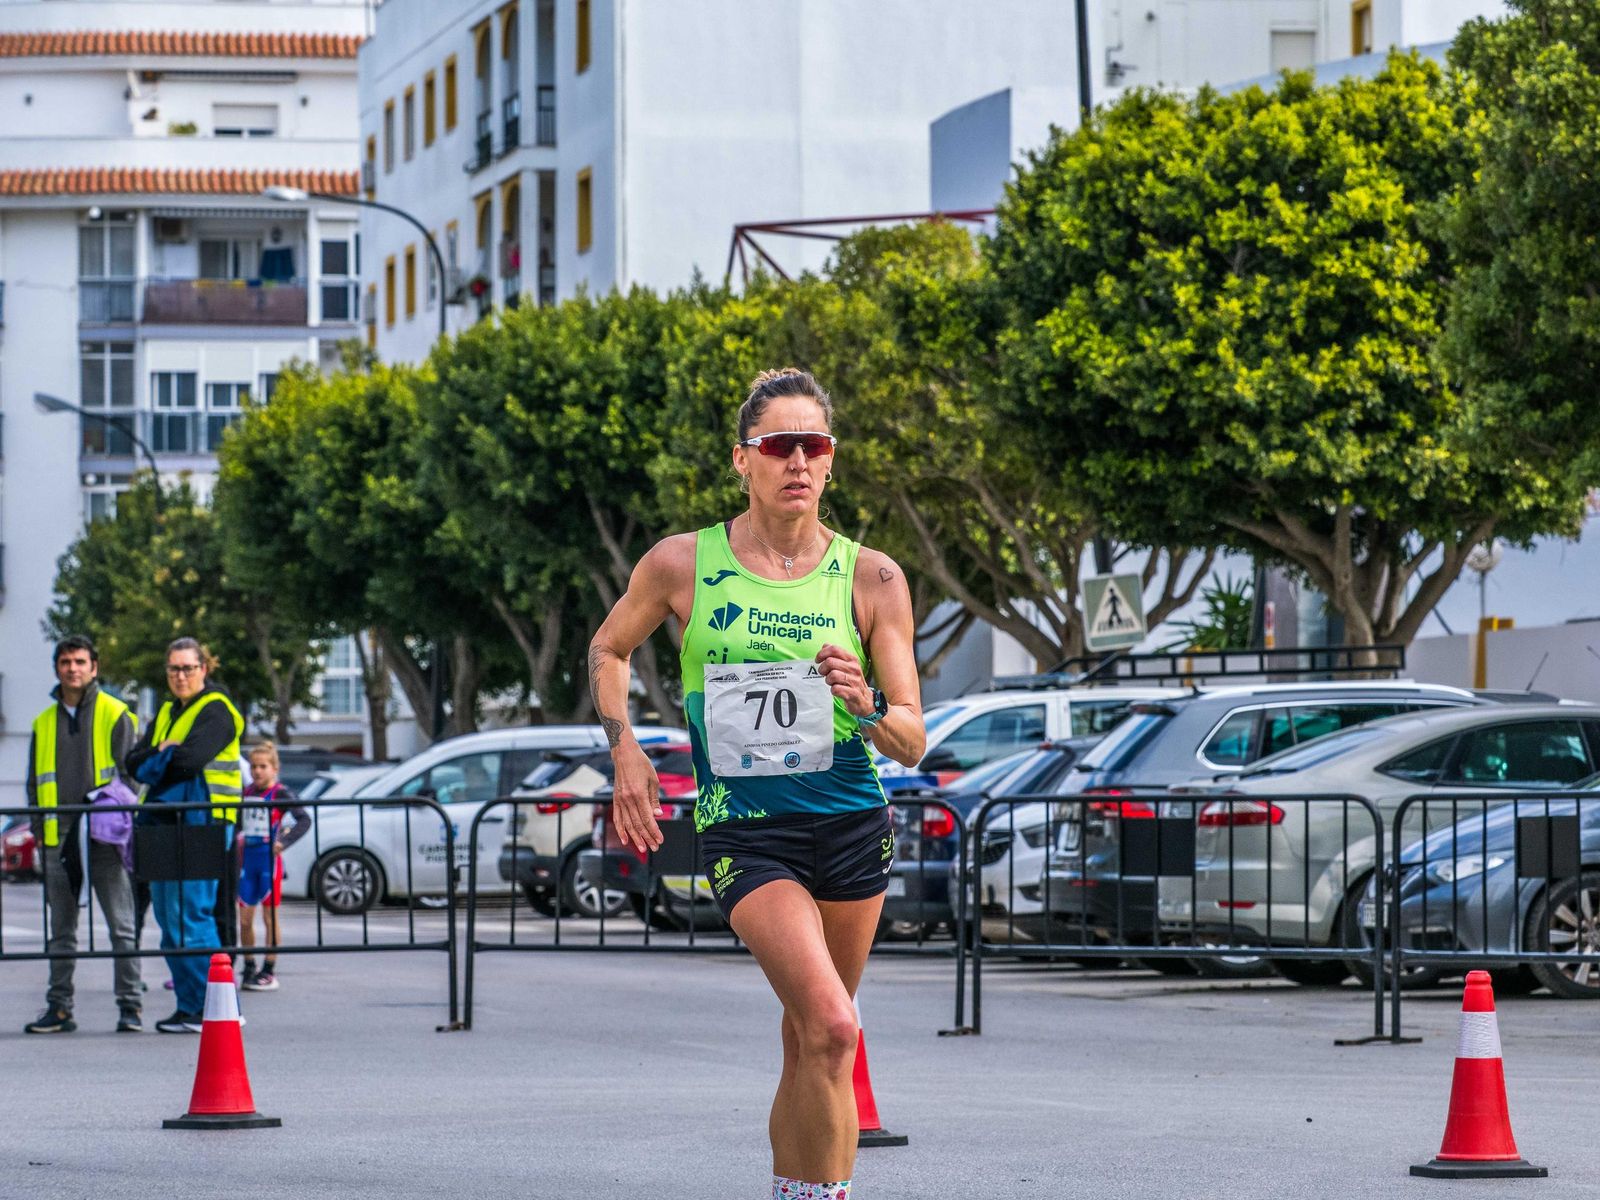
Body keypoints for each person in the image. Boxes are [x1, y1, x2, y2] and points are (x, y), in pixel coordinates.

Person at [589, 368, 925, 1200]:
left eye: (815, 445)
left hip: (852, 825)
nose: (798, 461)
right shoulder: (681, 563)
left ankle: (799, 1191)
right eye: (780, 445)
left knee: (813, 1040)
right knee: (836, 1027)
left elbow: (912, 739)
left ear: (832, 461)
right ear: (744, 460)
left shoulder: (872, 579)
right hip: (748, 832)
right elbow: (607, 649)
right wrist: (625, 746)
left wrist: (867, 703)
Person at [24, 636, 141, 1034]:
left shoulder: (115, 712)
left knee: (122, 927)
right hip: (59, 841)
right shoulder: (43, 723)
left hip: (104, 840)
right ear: (57, 667)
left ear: (94, 667)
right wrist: (41, 834)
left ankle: (131, 1007)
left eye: (79, 661)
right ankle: (59, 1009)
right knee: (61, 932)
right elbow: (33, 786)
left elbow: (131, 777)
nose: (72, 668)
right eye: (64, 661)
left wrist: (115, 821)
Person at [127, 637, 244, 1034]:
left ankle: (217, 1008)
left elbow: (190, 760)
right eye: (174, 668)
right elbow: (131, 762)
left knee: (193, 916)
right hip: (163, 823)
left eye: (188, 668)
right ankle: (190, 1005)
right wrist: (164, 749)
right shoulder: (164, 712)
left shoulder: (218, 710)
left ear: (203, 669)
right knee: (168, 918)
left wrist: (158, 757)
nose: (180, 676)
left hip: (204, 822)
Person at [236, 741, 310, 991]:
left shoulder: (280, 793)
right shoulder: (245, 793)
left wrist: (283, 842)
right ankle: (248, 965)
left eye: (263, 767)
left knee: (270, 917)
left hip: (269, 862)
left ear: (274, 769)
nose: (257, 771)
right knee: (245, 919)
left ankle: (269, 968)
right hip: (248, 862)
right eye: (254, 766)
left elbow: (304, 819)